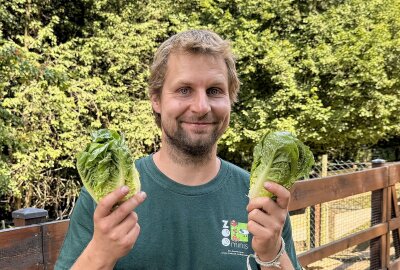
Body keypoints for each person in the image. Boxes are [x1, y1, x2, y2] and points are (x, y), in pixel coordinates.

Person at [55, 29, 303, 270]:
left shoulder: (261, 199)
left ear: (230, 100)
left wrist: (272, 254)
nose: (201, 106)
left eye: (214, 91)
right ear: (156, 99)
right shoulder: (109, 198)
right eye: (184, 90)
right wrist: (101, 252)